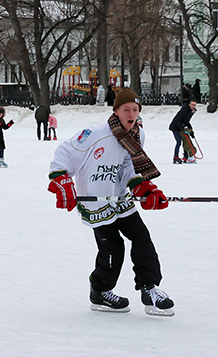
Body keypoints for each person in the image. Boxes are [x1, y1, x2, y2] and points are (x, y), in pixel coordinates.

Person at [48, 87, 173, 316]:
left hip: (119, 197)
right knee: (113, 247)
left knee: (141, 236)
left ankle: (149, 289)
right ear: (116, 111)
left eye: (135, 109)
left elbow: (127, 167)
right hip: (95, 202)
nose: (131, 114)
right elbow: (64, 153)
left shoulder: (137, 135)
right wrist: (61, 180)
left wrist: (142, 187)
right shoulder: (94, 134)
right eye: (126, 109)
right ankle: (100, 291)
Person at [168, 99, 197, 164]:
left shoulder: (191, 111)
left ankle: (185, 157)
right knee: (178, 141)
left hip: (181, 127)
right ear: (189, 104)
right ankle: (175, 157)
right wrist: (182, 129)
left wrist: (191, 131)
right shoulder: (184, 110)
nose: (193, 106)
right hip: (175, 127)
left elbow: (186, 121)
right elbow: (178, 120)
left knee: (185, 140)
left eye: (194, 105)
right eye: (192, 104)